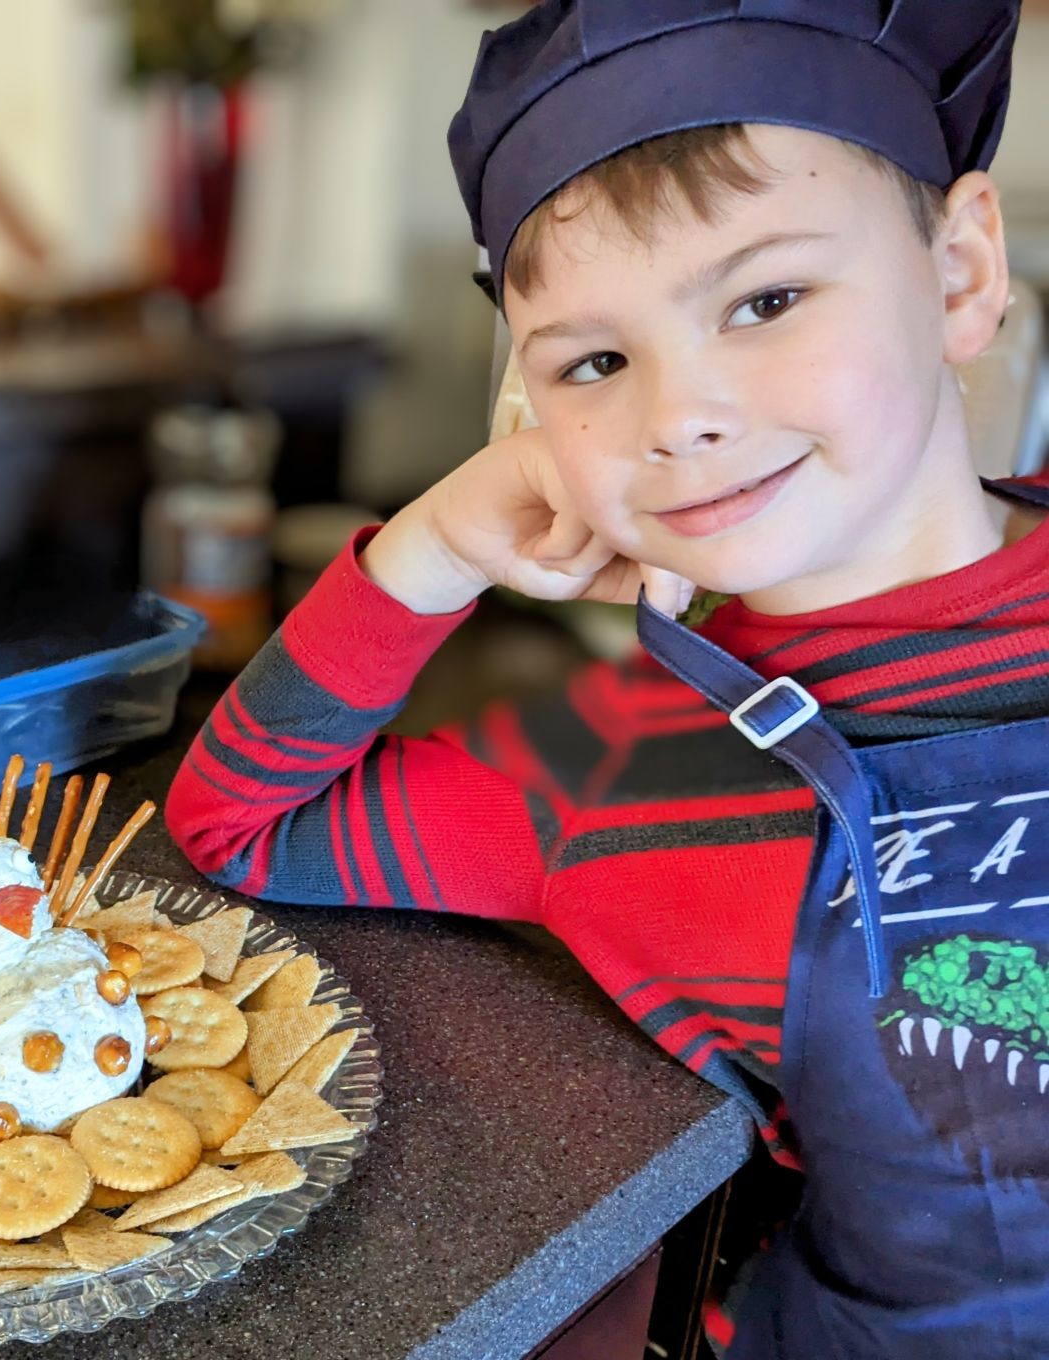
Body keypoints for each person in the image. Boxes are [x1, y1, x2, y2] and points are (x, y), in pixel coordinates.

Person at [166, 2, 1049, 1355]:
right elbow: (239, 820)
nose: (676, 415)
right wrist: (432, 547)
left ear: (960, 270)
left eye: (767, 299)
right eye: (594, 362)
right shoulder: (616, 770)